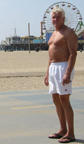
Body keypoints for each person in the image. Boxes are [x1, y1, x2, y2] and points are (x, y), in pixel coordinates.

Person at [44, 6, 78, 143]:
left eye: (58, 17)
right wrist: (47, 73)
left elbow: (73, 53)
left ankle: (71, 133)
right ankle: (62, 129)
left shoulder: (68, 32)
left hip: (63, 67)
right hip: (53, 68)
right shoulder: (53, 33)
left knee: (64, 100)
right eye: (53, 17)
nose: (55, 19)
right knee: (56, 100)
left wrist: (68, 73)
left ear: (63, 18)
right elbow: (50, 56)